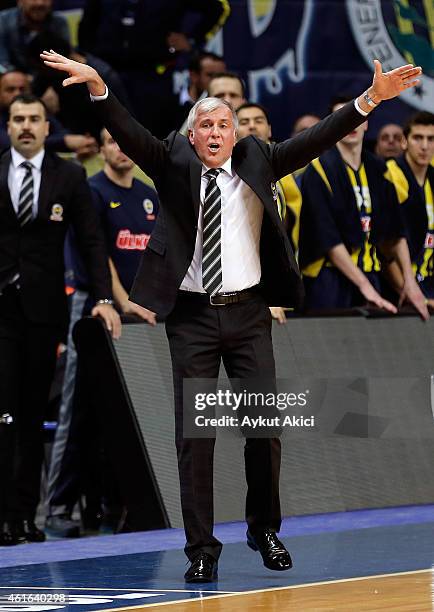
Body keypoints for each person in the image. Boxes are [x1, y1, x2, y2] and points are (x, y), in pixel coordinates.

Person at [41, 48, 424, 580]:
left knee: (263, 430)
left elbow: (318, 138)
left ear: (235, 134)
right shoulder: (170, 159)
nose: (218, 132)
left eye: (226, 124)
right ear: (193, 135)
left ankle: (264, 529)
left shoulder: (259, 158)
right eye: (208, 126)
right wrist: (98, 85)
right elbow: (126, 130)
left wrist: (369, 101)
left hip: (248, 314)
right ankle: (201, 549)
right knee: (195, 439)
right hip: (193, 317)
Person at [0, 93, 120, 546]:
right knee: (3, 413)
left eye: (34, 119)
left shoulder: (69, 175)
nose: (26, 126)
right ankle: (1, 517)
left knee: (30, 415)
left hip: (44, 309)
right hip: (1, 310)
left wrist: (103, 297)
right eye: (18, 119)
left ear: (48, 127)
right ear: (8, 126)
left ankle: (25, 518)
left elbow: (91, 241)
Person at [45, 128, 158, 538]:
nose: (120, 148)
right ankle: (58, 505)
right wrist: (121, 300)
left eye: (125, 141)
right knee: (76, 408)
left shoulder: (149, 195)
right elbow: (97, 253)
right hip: (98, 308)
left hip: (139, 315)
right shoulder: (90, 190)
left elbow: (157, 254)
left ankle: (121, 504)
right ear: (102, 149)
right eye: (111, 141)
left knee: (130, 414)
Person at [299, 96, 427, 317]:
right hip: (329, 280)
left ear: (367, 122)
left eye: (357, 116)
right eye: (342, 118)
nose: (351, 124)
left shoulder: (380, 169)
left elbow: (395, 232)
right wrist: (363, 286)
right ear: (332, 124)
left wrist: (409, 281)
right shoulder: (318, 169)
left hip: (371, 274)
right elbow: (328, 239)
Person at [77, 0, 230, 138]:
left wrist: (192, 39)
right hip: (107, 71)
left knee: (151, 134)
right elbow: (87, 23)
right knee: (104, 130)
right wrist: (88, 57)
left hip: (152, 75)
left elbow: (220, 8)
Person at [236, 101, 302, 324]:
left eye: (258, 121)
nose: (252, 126)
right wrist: (268, 295)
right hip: (252, 289)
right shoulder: (231, 175)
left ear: (270, 129)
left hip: (286, 278)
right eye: (244, 122)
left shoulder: (288, 172)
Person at [385, 112, 434, 305]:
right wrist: (406, 290)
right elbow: (385, 246)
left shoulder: (431, 176)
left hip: (428, 282)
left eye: (431, 139)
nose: (424, 146)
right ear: (404, 142)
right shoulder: (391, 174)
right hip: (399, 288)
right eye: (417, 138)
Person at [0, 68, 98, 156]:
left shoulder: (40, 111)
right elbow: (12, 145)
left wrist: (81, 143)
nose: (17, 93)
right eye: (10, 89)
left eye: (22, 89)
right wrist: (64, 142)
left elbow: (62, 133)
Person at [0, 0, 70, 74]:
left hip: (49, 75)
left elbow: (65, 57)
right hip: (14, 75)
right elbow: (1, 61)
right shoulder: (3, 20)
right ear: (20, 1)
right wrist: (11, 72)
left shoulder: (59, 22)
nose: (40, 3)